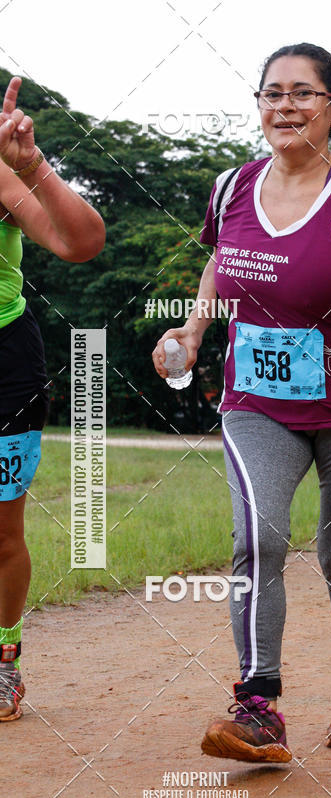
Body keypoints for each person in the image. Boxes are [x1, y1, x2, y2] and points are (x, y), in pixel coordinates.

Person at [152, 43, 331, 763]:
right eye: (272, 93)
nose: (285, 107)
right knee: (258, 540)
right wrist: (194, 325)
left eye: (304, 94)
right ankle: (257, 706)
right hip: (257, 400)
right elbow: (220, 260)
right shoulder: (231, 188)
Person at [0, 76, 105, 721]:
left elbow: (80, 242)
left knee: (1, 530)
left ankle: (2, 658)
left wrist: (31, 165)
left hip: (4, 365)